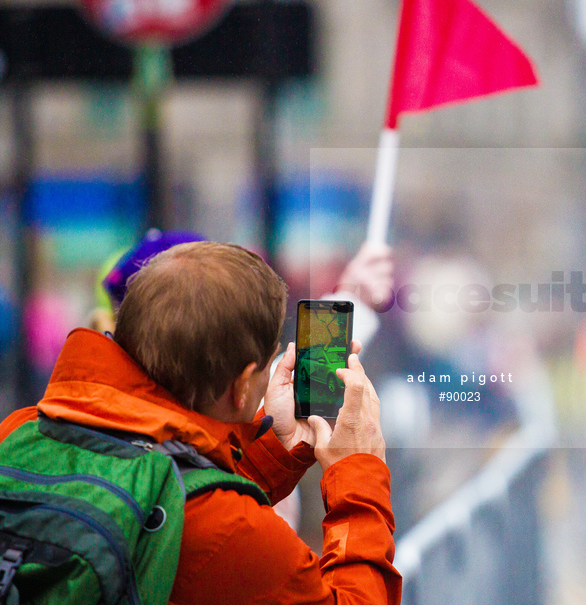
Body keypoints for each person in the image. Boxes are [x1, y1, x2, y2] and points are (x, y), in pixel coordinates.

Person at [0, 241, 401, 604]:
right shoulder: (233, 526)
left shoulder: (20, 430)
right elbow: (212, 531)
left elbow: (172, 498)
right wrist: (359, 475)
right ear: (243, 384)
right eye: (269, 363)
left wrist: (276, 448)